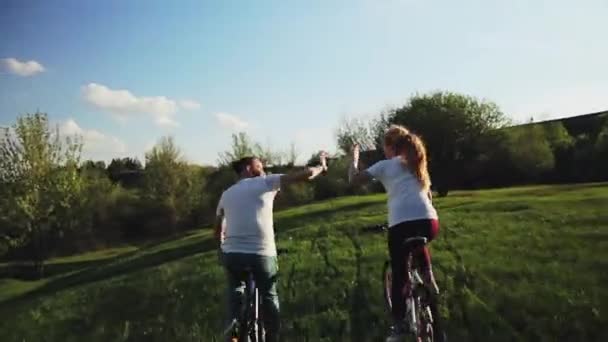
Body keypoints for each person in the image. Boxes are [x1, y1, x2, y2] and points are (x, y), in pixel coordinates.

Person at [215, 153, 328, 342]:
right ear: (249, 168)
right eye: (260, 165)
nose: (264, 169)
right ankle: (272, 337)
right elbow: (307, 173)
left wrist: (221, 249)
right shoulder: (266, 182)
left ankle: (233, 335)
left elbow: (218, 228)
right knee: (269, 295)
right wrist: (322, 166)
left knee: (235, 296)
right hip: (261, 253)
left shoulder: (226, 194)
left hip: (232, 254)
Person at [348, 125, 440, 342]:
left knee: (399, 273)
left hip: (401, 224)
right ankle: (427, 275)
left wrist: (353, 158)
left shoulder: (385, 165)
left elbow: (354, 180)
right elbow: (428, 196)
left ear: (390, 147)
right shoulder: (418, 162)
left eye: (384, 147)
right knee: (419, 243)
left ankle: (399, 327)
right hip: (429, 221)